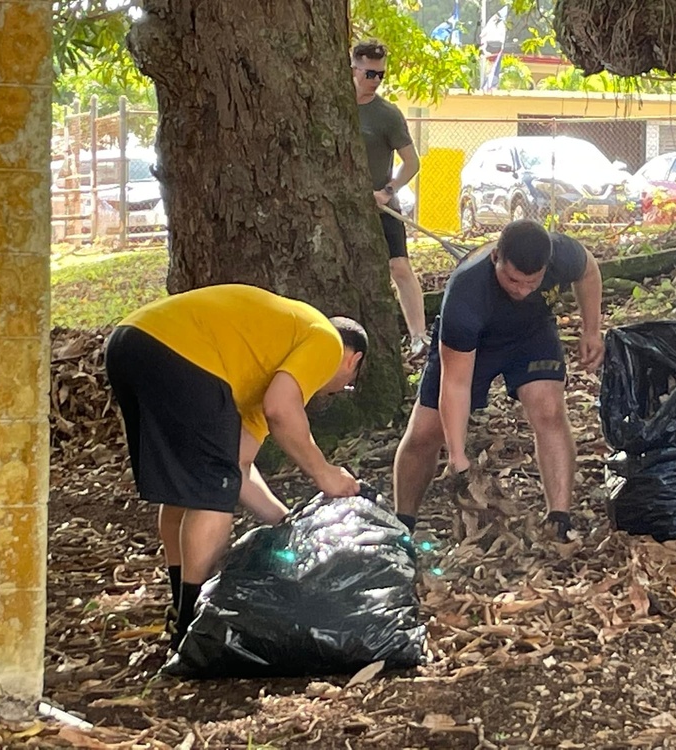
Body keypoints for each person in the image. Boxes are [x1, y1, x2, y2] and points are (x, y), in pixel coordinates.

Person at [104, 284, 366, 647]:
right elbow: (281, 409)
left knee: (192, 487)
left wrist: (287, 523)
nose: (329, 392)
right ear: (352, 362)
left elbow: (238, 466)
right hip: (182, 355)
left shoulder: (262, 360)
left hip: (129, 344)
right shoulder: (327, 342)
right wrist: (325, 474)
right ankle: (191, 623)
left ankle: (180, 609)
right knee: (212, 495)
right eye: (346, 387)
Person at [392, 220, 604, 542]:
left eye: (531, 283)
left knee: (548, 410)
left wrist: (591, 329)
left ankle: (559, 519)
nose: (521, 290)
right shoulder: (466, 293)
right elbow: (456, 385)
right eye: (513, 280)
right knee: (425, 433)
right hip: (475, 342)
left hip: (531, 332)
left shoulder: (561, 253)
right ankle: (402, 525)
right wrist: (458, 457)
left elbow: (589, 271)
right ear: (496, 260)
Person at [351, 39, 428, 357]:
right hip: (342, 209)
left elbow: (412, 163)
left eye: (381, 75)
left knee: (399, 267)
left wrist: (387, 192)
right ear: (353, 68)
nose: (376, 81)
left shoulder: (387, 115)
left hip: (380, 206)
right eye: (370, 74)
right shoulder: (330, 108)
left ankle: (419, 336)